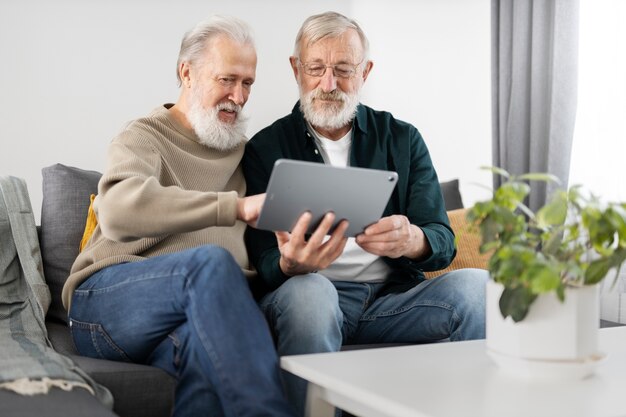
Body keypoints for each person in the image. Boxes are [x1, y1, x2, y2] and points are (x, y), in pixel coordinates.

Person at [243, 11, 488, 415]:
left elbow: (443, 241)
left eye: (342, 69)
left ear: (365, 71)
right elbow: (260, 260)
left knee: (478, 289)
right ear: (296, 69)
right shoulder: (265, 148)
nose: (328, 84)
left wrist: (413, 240)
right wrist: (288, 264)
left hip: (394, 301)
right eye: (316, 68)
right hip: (311, 295)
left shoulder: (402, 138)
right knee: (312, 295)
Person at [64, 15, 296, 417]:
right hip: (106, 303)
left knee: (204, 358)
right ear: (186, 72)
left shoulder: (246, 154)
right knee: (208, 264)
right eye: (227, 80)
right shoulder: (143, 136)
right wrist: (234, 207)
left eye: (248, 84)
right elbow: (118, 211)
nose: (238, 97)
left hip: (196, 311)